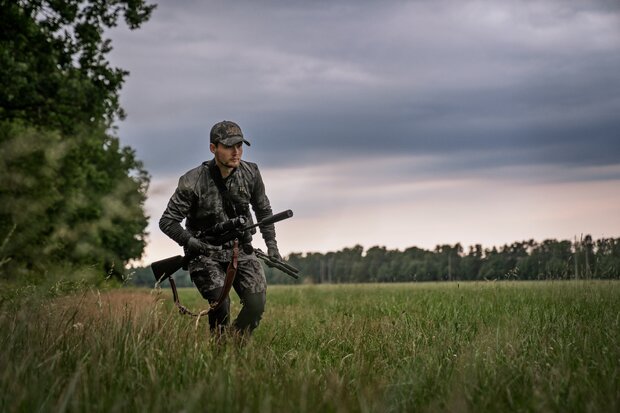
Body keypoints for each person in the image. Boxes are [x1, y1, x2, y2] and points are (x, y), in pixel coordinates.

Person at [159, 120, 281, 338]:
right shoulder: (192, 181)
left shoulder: (251, 172)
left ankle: (235, 344)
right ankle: (219, 351)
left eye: (240, 145)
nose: (236, 152)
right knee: (220, 305)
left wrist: (272, 245)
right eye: (229, 146)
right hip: (204, 253)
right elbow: (167, 221)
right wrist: (190, 242)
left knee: (256, 303)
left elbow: (264, 211)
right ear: (213, 148)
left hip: (240, 249)